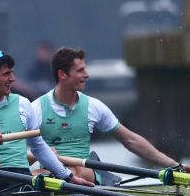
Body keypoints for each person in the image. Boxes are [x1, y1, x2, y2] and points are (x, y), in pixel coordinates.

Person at [32, 48, 190, 184]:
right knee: (36, 175)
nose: (87, 75)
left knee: (74, 170)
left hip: (85, 172)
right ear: (62, 74)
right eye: (80, 70)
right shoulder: (37, 108)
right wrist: (40, 154)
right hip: (49, 175)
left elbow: (131, 140)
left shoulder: (94, 107)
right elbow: (17, 152)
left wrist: (174, 165)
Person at [0, 50, 93, 195]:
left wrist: (69, 177)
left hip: (20, 177)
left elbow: (39, 148)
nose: (13, 79)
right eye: (6, 74)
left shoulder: (23, 104)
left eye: (12, 72)